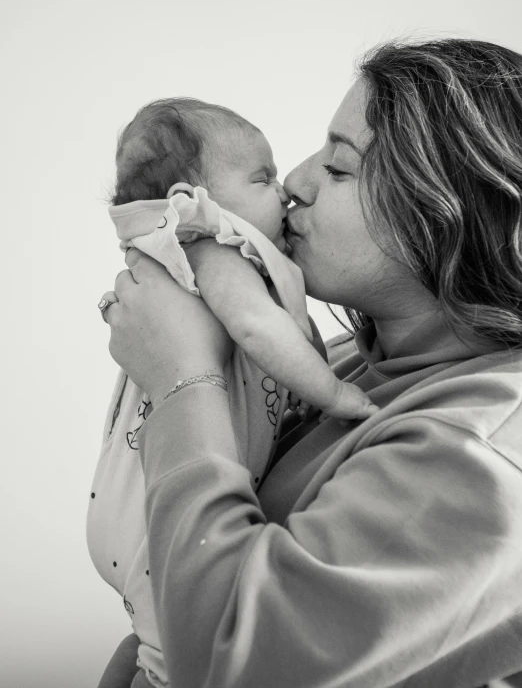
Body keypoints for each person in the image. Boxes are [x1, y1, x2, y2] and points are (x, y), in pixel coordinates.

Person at [100, 38, 522, 688]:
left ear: (455, 210)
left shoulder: (480, 453)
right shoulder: (352, 363)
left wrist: (184, 373)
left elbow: (234, 669)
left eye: (340, 166)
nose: (296, 182)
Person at [89, 99, 377, 688]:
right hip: (157, 520)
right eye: (263, 178)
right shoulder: (212, 246)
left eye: (339, 168)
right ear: (187, 199)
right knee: (169, 660)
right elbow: (256, 327)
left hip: (136, 510)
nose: (290, 185)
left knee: (155, 657)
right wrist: (334, 396)